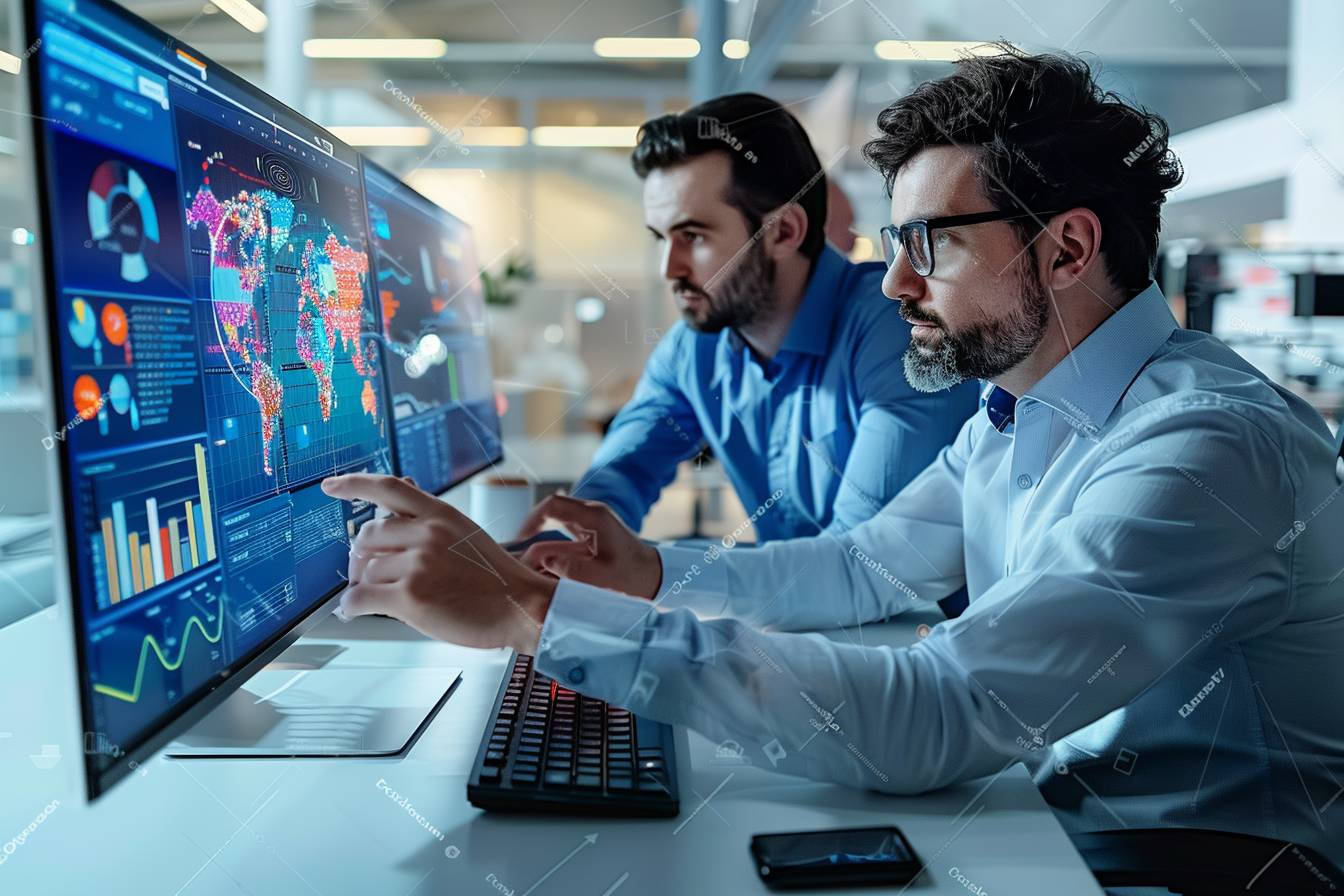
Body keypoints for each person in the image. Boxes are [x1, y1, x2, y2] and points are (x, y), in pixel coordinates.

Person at [321, 47, 1344, 864]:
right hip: (1057, 816)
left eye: (928, 243)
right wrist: (644, 572)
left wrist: (530, 612)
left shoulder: (1201, 445)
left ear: (1068, 250)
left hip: (1185, 860)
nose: (894, 283)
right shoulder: (1015, 411)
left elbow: (949, 708)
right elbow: (866, 563)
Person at [519, 93, 978, 542]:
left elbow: (864, 565)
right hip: (790, 612)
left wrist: (657, 573)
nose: (669, 269)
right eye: (661, 238)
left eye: (693, 236)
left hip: (921, 618)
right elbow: (620, 476)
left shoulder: (898, 328)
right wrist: (556, 553)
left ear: (784, 231)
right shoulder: (695, 346)